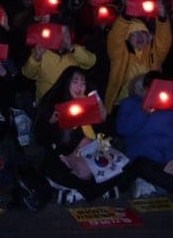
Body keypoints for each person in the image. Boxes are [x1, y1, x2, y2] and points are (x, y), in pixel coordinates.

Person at [34, 67, 119, 205]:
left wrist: (105, 119)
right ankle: (94, 191)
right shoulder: (53, 103)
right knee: (70, 172)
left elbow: (107, 139)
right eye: (75, 81)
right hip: (62, 160)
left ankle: (78, 193)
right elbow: (41, 139)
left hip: (91, 159)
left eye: (83, 83)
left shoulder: (91, 104)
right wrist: (50, 123)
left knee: (118, 170)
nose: (80, 86)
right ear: (66, 83)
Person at [115, 73, 173, 197]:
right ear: (144, 89)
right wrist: (144, 112)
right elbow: (122, 129)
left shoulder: (171, 107)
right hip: (143, 159)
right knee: (143, 165)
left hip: (171, 160)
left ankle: (166, 185)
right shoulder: (130, 104)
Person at [105, 11, 172, 108]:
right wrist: (125, 18)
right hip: (122, 103)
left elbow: (164, 41)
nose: (140, 36)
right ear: (127, 37)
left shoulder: (154, 52)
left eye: (143, 33)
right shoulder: (119, 53)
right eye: (135, 33)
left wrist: (162, 19)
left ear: (148, 36)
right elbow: (115, 38)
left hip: (151, 101)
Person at [22, 24, 95, 103]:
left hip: (70, 103)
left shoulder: (75, 50)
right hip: (47, 103)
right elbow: (28, 74)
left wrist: (71, 48)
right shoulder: (42, 51)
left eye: (66, 33)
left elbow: (90, 62)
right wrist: (36, 58)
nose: (63, 37)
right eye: (59, 33)